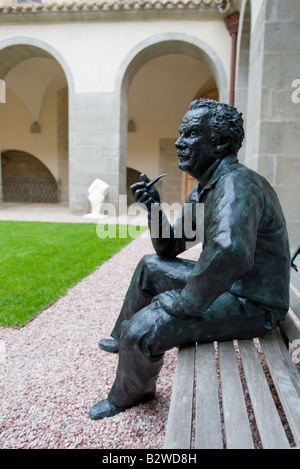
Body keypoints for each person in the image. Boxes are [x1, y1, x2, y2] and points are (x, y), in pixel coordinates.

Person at [89, 98, 291, 420]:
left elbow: (231, 250)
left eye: (192, 134)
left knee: (144, 328)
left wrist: (184, 303)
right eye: (181, 133)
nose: (179, 142)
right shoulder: (206, 188)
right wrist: (154, 207)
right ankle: (121, 339)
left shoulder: (237, 184)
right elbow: (169, 249)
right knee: (148, 267)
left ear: (221, 142)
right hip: (230, 286)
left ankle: (131, 393)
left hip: (254, 303)